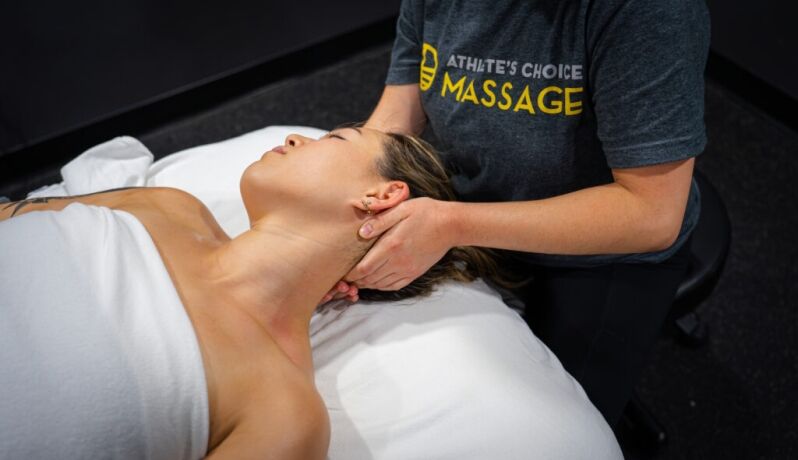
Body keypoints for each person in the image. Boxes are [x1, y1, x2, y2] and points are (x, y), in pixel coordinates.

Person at [0, 128, 505, 459]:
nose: (293, 136)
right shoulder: (170, 207)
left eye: (334, 137)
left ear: (382, 195)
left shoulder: (284, 414)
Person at [341, 0, 711, 426]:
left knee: (557, 424)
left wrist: (453, 224)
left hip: (602, 254)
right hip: (469, 209)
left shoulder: (650, 12)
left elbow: (651, 213)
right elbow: (400, 107)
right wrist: (340, 201)